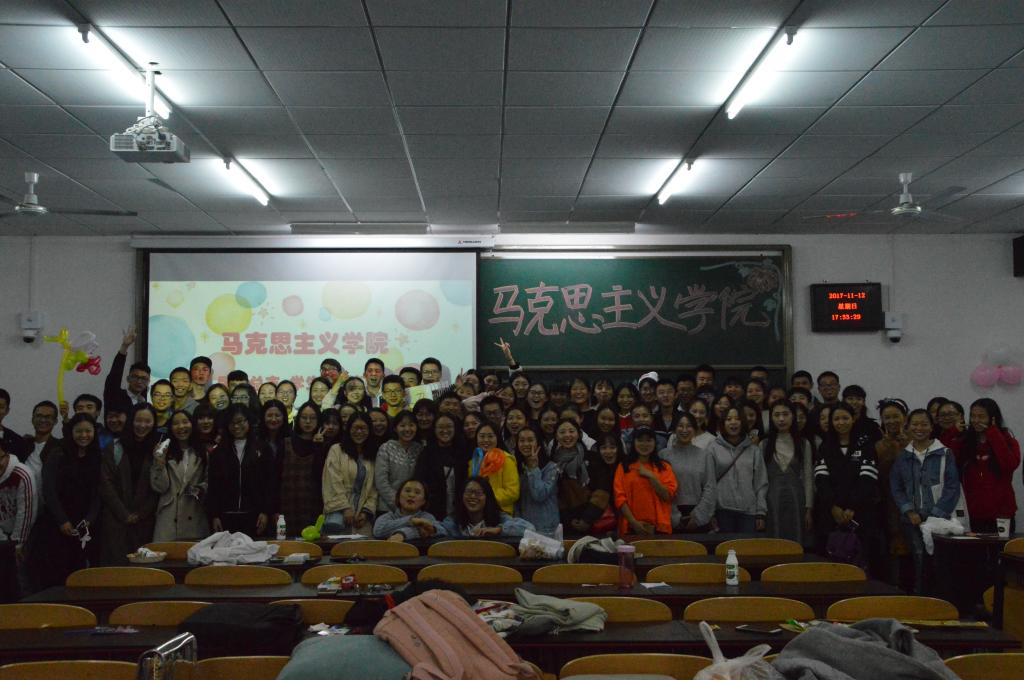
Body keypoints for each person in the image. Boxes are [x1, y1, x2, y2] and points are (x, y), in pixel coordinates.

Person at [26, 413, 101, 590]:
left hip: (85, 524)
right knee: (56, 572)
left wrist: (90, 519)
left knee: (81, 572)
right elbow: (49, 490)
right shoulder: (58, 453)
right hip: (57, 522)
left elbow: (98, 493)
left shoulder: (97, 455)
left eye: (88, 431)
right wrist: (62, 520)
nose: (84, 435)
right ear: (71, 432)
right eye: (79, 431)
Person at [890, 409, 960, 595]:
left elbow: (952, 487)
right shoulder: (903, 456)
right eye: (915, 424)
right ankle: (921, 599)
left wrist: (935, 515)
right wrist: (909, 511)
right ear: (908, 427)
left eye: (924, 424)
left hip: (940, 521)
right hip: (911, 521)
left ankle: (942, 601)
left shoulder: (945, 453)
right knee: (919, 561)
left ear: (931, 427)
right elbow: (896, 487)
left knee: (941, 564)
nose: (919, 428)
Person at [815, 403, 882, 576]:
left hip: (861, 513)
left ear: (853, 419)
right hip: (832, 514)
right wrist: (834, 507)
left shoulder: (865, 445)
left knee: (861, 561)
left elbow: (868, 478)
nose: (841, 422)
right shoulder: (825, 446)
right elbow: (821, 480)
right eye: (836, 419)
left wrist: (852, 506)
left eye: (845, 418)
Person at [949, 398, 1021, 533]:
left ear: (993, 418)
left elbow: (1010, 465)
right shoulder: (964, 440)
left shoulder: (1008, 440)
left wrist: (993, 433)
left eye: (981, 416)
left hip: (1002, 512)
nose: (976, 420)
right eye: (973, 416)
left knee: (1002, 546)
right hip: (972, 511)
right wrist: (954, 433)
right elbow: (949, 464)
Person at [99, 404, 159, 565]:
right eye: (138, 420)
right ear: (130, 421)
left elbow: (158, 487)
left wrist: (141, 514)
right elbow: (105, 483)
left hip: (144, 521)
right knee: (116, 567)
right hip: (115, 519)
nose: (142, 425)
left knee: (143, 569)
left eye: (148, 421)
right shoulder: (115, 447)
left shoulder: (157, 450)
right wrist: (124, 514)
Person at [207, 404, 273, 536]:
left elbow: (270, 483)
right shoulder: (219, 452)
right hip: (226, 516)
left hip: (255, 516)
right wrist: (214, 515)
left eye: (240, 421)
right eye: (232, 423)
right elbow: (213, 486)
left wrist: (266, 511)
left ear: (248, 421)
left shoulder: (263, 448)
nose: (236, 426)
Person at [707, 405, 767, 532]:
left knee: (747, 545)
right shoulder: (712, 448)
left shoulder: (753, 450)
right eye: (729, 419)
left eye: (737, 419)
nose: (733, 422)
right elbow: (709, 483)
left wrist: (760, 512)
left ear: (743, 422)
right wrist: (710, 512)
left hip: (749, 512)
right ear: (723, 423)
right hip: (722, 511)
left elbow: (761, 483)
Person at [760, 400, 813, 544]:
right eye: (777, 415)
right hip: (772, 501)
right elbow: (760, 480)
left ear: (793, 416)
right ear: (771, 418)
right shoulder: (764, 444)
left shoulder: (803, 443)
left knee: (796, 540)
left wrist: (809, 508)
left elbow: (808, 477)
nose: (781, 419)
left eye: (785, 414)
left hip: (797, 500)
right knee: (774, 541)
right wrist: (760, 510)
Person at [151, 410, 208, 541]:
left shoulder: (202, 452)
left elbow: (209, 481)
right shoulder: (164, 451)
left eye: (185, 422)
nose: (181, 427)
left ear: (192, 424)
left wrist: (199, 488)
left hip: (195, 517)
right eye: (176, 423)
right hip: (168, 519)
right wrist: (159, 463)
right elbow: (160, 487)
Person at [322, 413, 379, 536]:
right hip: (338, 513)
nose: (359, 432)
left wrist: (366, 512)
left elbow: (374, 487)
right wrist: (345, 508)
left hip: (362, 516)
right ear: (348, 429)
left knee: (363, 545)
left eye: (363, 428)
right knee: (337, 545)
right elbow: (332, 481)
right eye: (355, 428)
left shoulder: (373, 454)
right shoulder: (336, 450)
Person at [614, 427, 677, 536]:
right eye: (640, 440)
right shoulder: (624, 466)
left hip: (659, 527)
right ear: (633, 442)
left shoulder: (664, 467)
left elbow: (668, 496)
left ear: (655, 443)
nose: (644, 444)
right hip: (630, 527)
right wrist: (633, 523)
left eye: (649, 440)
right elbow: (619, 498)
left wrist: (652, 477)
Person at [875, 399, 911, 583]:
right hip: (887, 505)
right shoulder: (878, 446)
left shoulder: (915, 442)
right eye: (886, 417)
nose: (891, 421)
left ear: (905, 417)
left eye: (895, 416)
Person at [277, 402, 328, 535]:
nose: (308, 422)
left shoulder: (324, 445)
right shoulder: (285, 442)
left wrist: (318, 447)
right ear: (298, 419)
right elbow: (275, 477)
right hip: (287, 503)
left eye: (313, 418)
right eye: (304, 417)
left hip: (313, 505)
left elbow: (320, 476)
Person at [661, 412, 716, 532]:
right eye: (680, 426)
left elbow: (710, 487)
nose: (684, 430)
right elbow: (661, 489)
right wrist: (674, 517)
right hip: (670, 515)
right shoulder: (664, 455)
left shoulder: (705, 455)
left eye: (689, 426)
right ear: (674, 429)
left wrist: (698, 516)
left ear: (695, 430)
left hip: (699, 515)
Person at [441, 476, 534, 538]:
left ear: (488, 497)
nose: (472, 496)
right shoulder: (454, 521)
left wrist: (499, 530)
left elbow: (529, 528)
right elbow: (440, 528)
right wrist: (433, 529)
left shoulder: (499, 518)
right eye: (468, 492)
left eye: (478, 493)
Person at [414, 413, 467, 520]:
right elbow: (419, 481)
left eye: (449, 426)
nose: (445, 430)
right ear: (434, 429)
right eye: (441, 427)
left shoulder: (463, 452)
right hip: (432, 512)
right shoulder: (427, 453)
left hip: (460, 511)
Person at [0, 439, 35, 591]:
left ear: (7, 455)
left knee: (21, 577)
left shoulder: (22, 474)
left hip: (24, 533)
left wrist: (18, 542)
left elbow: (26, 512)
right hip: (2, 534)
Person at [374, 411, 424, 514]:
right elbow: (381, 482)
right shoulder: (386, 448)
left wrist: (411, 504)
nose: (407, 429)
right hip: (387, 508)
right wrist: (399, 503)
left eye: (411, 425)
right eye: (402, 425)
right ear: (395, 428)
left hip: (414, 508)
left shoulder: (420, 449)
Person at [514, 425, 559, 536]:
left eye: (530, 440)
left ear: (538, 442)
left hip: (547, 528)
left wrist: (534, 469)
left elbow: (539, 495)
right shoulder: (517, 466)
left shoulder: (551, 468)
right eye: (522, 440)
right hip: (524, 528)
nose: (526, 444)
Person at [468, 423, 520, 515]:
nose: (486, 440)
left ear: (497, 438)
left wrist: (485, 498)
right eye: (482, 436)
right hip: (477, 514)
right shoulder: (473, 462)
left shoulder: (506, 459)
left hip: (501, 513)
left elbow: (513, 492)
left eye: (490, 436)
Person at [373, 478, 443, 542]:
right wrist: (411, 521)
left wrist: (402, 534)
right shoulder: (387, 517)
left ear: (424, 501)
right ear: (398, 496)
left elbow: (441, 531)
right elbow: (378, 531)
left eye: (417, 492)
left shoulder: (426, 517)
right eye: (407, 491)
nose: (411, 495)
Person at [104, 327, 150, 408]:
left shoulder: (144, 403)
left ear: (148, 382)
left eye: (144, 379)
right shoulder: (115, 396)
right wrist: (124, 347)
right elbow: (114, 376)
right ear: (128, 378)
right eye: (135, 377)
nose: (139, 381)